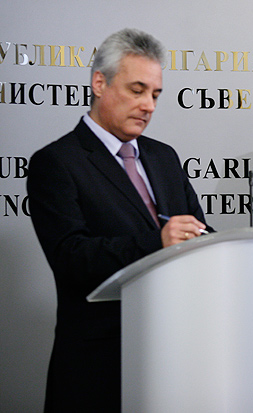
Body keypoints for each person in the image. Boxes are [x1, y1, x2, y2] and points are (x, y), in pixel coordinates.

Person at [27, 28, 214, 412]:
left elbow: (199, 229)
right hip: (99, 369)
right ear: (100, 83)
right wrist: (158, 242)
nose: (148, 105)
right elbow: (70, 257)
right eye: (137, 90)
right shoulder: (57, 162)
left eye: (155, 94)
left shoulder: (164, 157)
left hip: (175, 361)